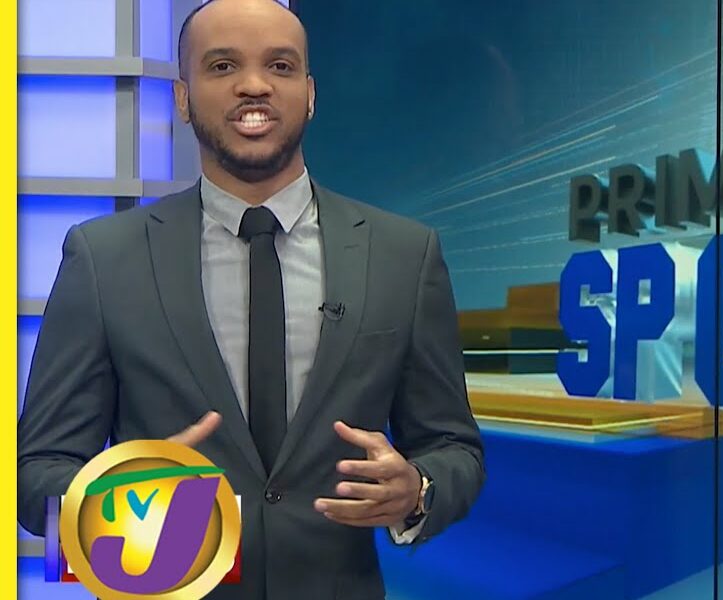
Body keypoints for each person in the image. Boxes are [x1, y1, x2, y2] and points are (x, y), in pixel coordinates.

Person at [16, 0, 485, 597]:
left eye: (280, 66)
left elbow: (453, 448)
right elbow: (36, 475)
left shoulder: (404, 255)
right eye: (222, 66)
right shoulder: (102, 258)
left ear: (310, 94)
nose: (254, 86)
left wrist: (416, 491)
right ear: (182, 98)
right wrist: (119, 506)